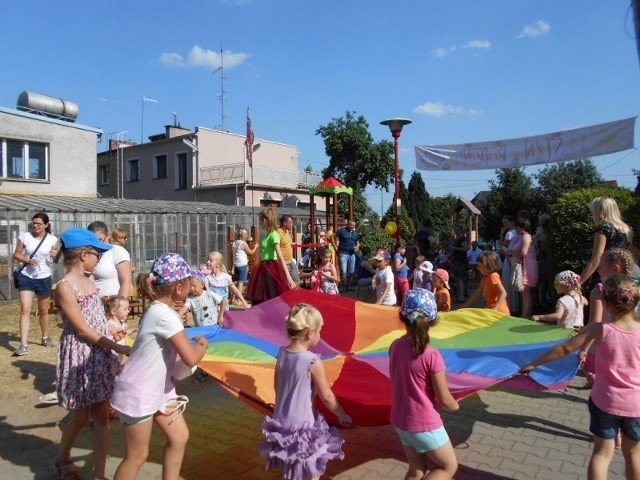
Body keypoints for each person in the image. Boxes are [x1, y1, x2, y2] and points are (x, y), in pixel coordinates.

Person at [520, 274, 640, 480]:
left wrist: (533, 363)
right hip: (635, 405)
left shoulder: (599, 329)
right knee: (634, 453)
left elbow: (565, 348)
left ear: (607, 303)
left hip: (605, 402)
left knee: (601, 455)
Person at [111, 253, 208, 480]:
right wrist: (202, 344)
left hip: (159, 388)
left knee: (179, 436)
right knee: (137, 456)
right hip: (139, 391)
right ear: (178, 288)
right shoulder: (165, 315)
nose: (191, 286)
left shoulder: (159, 310)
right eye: (188, 282)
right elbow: (191, 358)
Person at [53, 227, 130, 480]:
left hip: (101, 352)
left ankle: (99, 475)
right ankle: (63, 456)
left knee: (101, 416)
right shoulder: (65, 287)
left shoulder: (90, 281)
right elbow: (83, 330)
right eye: (98, 253)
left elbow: (96, 321)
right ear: (84, 255)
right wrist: (116, 346)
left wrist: (113, 332)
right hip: (81, 355)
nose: (100, 258)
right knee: (79, 415)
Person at [259, 303, 352, 479]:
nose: (320, 335)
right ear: (310, 333)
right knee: (309, 472)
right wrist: (341, 413)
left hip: (282, 423)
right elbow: (327, 396)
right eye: (319, 331)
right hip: (302, 426)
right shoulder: (312, 361)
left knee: (292, 467)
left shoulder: (282, 353)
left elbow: (277, 386)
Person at [389, 289, 459, 480]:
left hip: (401, 419)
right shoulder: (431, 355)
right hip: (424, 422)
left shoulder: (395, 346)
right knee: (447, 466)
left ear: (402, 316)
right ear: (433, 321)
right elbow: (445, 399)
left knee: (417, 468)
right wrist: (455, 405)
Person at [580, 248, 636, 390]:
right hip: (632, 343)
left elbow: (595, 321)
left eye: (601, 266)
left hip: (606, 342)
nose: (598, 270)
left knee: (606, 380)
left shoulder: (599, 290)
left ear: (615, 268)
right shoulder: (634, 289)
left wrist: (583, 347)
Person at [11, 212, 59, 356]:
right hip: (26, 276)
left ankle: (45, 337)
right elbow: (16, 254)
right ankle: (23, 345)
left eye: (39, 223)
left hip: (43, 277)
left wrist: (54, 255)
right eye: (34, 223)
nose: (35, 225)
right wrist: (26, 260)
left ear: (46, 225)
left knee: (43, 310)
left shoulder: (52, 239)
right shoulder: (25, 237)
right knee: (25, 309)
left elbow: (56, 258)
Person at [580, 196, 637, 287]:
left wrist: (579, 283)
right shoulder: (627, 229)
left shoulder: (603, 229)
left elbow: (596, 259)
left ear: (599, 212)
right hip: (623, 276)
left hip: (605, 275)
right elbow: (630, 251)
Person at [247, 208, 297, 304]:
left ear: (264, 220)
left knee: (270, 295)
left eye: (260, 220)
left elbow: (280, 256)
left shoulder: (274, 234)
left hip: (270, 267)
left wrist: (289, 279)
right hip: (263, 266)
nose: (260, 223)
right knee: (261, 297)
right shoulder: (267, 234)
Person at [87, 221, 133, 299]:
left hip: (112, 303)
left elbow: (126, 282)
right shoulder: (89, 253)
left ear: (108, 236)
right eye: (92, 240)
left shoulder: (117, 251)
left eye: (99, 239)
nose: (96, 243)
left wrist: (119, 305)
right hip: (94, 304)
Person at [513, 218, 538, 319]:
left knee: (525, 292)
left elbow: (524, 252)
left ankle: (525, 315)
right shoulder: (527, 236)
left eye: (517, 228)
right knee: (527, 292)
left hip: (526, 266)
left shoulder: (525, 237)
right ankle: (527, 313)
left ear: (521, 227)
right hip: (528, 264)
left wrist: (511, 253)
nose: (516, 230)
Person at [500, 215, 521, 314]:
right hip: (517, 259)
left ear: (511, 222)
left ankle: (509, 306)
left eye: (505, 222)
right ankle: (516, 306)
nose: (504, 224)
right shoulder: (519, 233)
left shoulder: (509, 233)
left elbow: (502, 247)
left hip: (509, 259)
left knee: (508, 283)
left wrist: (501, 235)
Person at [232, 227, 258, 303]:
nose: (246, 235)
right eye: (246, 234)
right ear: (243, 235)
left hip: (236, 265)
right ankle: (239, 300)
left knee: (237, 282)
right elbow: (251, 253)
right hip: (242, 265)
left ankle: (233, 299)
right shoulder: (243, 243)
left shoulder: (235, 243)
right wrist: (256, 247)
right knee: (241, 283)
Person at [333, 219, 360, 290]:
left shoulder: (355, 233)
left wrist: (357, 247)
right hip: (343, 253)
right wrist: (335, 248)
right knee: (343, 271)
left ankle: (347, 286)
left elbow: (357, 242)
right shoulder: (342, 231)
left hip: (352, 254)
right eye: (351, 225)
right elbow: (332, 236)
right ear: (347, 224)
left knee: (351, 272)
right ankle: (342, 287)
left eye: (353, 226)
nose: (352, 227)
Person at [277, 214, 301, 287]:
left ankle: (295, 296)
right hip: (283, 263)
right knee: (286, 283)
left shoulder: (287, 231)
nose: (291, 225)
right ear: (284, 223)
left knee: (297, 281)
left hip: (290, 261)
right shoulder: (278, 232)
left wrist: (293, 243)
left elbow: (286, 243)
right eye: (290, 223)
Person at [449, 227, 468, 303]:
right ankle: (460, 294)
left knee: (459, 278)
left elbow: (465, 248)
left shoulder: (462, 239)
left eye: (458, 229)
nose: (456, 231)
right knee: (457, 278)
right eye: (455, 229)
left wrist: (454, 247)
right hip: (456, 260)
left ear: (461, 231)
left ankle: (461, 296)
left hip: (461, 261)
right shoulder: (456, 239)